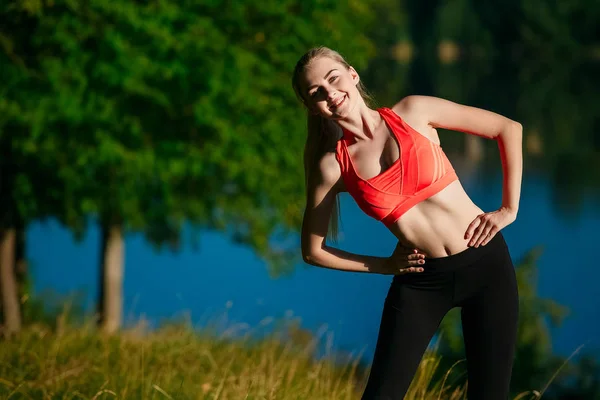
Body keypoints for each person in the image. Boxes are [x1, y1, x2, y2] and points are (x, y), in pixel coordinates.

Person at [293, 46, 522, 399]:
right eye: (316, 92)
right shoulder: (333, 166)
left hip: (486, 263)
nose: (329, 93)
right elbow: (313, 251)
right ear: (311, 107)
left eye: (333, 78)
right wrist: (384, 265)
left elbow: (507, 129)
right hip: (422, 282)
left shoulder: (415, 111)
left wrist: (508, 210)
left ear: (352, 74)